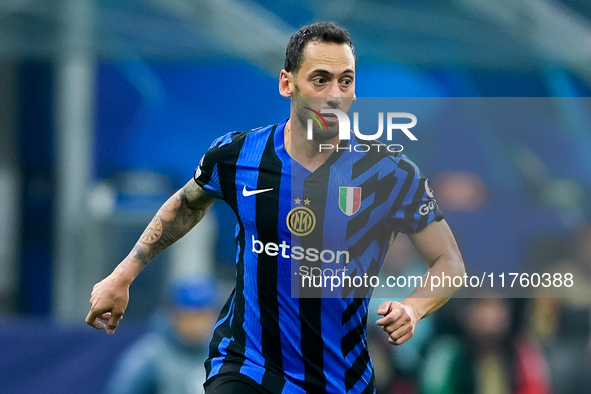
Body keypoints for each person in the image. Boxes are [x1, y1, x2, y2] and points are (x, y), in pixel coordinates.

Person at [87, 22, 465, 394]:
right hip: (247, 368)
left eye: (345, 81)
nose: (334, 94)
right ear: (287, 83)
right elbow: (186, 204)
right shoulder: (237, 156)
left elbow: (449, 263)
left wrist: (413, 308)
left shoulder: (391, 174)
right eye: (320, 80)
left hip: (339, 380)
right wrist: (122, 275)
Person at [105, 278, 218, 394]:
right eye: (190, 316)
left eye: (204, 316)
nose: (197, 324)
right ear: (172, 315)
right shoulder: (148, 357)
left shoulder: (223, 354)